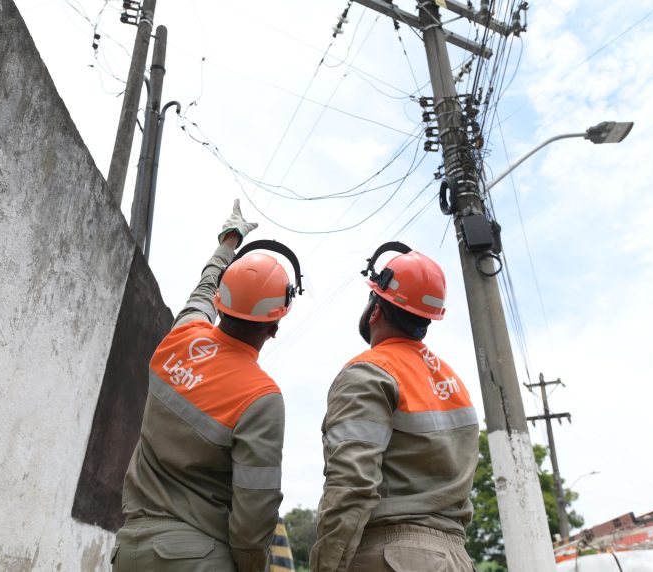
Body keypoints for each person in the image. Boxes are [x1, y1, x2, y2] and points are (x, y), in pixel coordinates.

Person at [113, 200, 303, 572]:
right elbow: (254, 517)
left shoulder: (182, 337)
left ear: (220, 301)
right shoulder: (261, 397)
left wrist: (229, 242)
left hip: (131, 550)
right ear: (274, 326)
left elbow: (204, 288)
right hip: (199, 558)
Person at [310, 242, 480, 572]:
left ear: (376, 309)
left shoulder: (369, 371)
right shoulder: (452, 383)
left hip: (393, 558)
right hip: (457, 559)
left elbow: (350, 489)